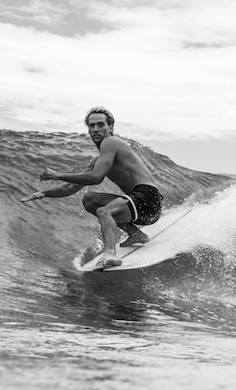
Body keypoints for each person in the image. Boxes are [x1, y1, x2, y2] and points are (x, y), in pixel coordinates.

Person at [21, 106, 162, 270]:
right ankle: (135, 234)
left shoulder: (111, 142)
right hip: (138, 206)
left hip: (148, 199)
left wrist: (57, 174)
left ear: (111, 127)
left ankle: (110, 254)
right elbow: (70, 188)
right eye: (91, 125)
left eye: (100, 124)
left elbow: (96, 177)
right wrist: (44, 193)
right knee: (89, 200)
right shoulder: (98, 160)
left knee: (105, 212)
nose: (95, 129)